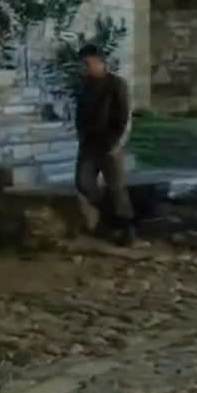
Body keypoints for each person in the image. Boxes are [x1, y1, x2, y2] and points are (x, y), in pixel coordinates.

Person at [74, 44, 136, 247]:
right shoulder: (85, 85)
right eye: (83, 63)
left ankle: (126, 228)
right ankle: (108, 217)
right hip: (89, 144)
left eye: (88, 63)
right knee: (83, 182)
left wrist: (116, 141)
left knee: (116, 187)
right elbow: (80, 112)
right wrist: (81, 134)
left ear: (100, 62)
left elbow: (124, 115)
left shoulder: (116, 84)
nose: (85, 67)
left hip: (109, 143)